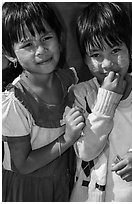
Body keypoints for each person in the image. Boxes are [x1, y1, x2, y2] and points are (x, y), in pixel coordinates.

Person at [2, 2, 85, 202]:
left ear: (60, 38)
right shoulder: (14, 102)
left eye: (46, 37)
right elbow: (23, 164)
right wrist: (68, 138)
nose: (41, 50)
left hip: (63, 182)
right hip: (29, 189)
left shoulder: (69, 80)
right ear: (10, 55)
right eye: (27, 44)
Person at [69, 2, 132, 202]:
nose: (107, 64)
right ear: (85, 59)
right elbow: (85, 151)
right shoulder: (81, 94)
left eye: (115, 50)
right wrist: (106, 100)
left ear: (130, 47)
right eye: (96, 55)